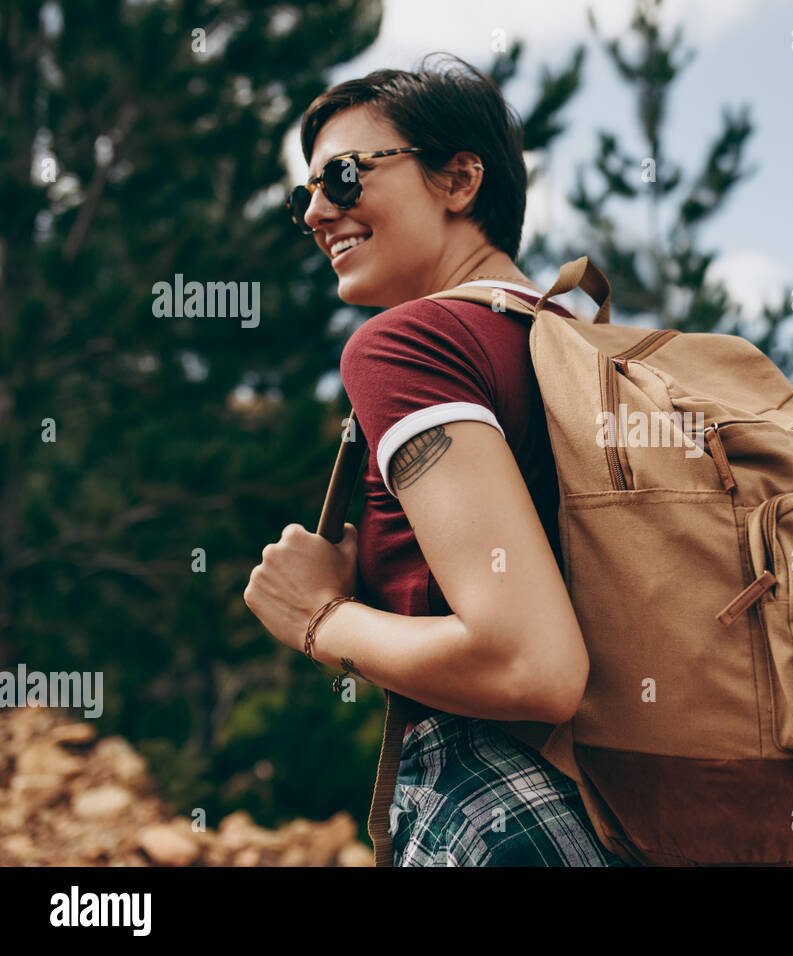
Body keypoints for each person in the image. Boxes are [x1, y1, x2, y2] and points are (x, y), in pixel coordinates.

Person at [243, 53, 629, 866]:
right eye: (302, 194)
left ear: (458, 180)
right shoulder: (575, 352)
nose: (316, 212)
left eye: (342, 178)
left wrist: (319, 619)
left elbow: (534, 666)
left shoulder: (410, 344)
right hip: (631, 806)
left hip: (505, 815)